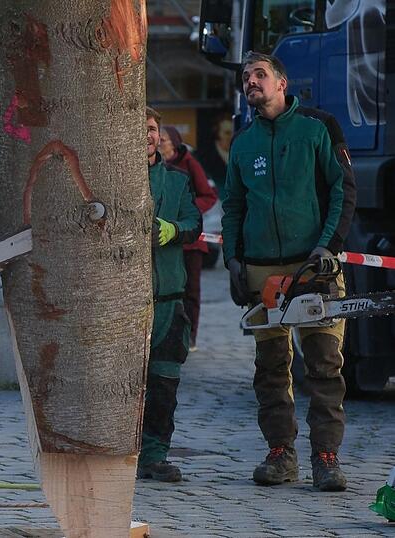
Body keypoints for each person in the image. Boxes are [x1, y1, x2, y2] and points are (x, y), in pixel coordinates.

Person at [221, 52, 356, 491]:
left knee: (323, 363)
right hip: (263, 274)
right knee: (271, 367)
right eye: (246, 77)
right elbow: (234, 206)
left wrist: (327, 248)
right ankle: (280, 453)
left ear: (282, 82)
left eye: (260, 74)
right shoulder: (242, 143)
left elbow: (343, 189)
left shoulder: (318, 128)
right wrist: (235, 260)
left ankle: (326, 458)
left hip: (313, 266)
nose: (251, 81)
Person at [138, 107, 202, 482]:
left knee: (164, 384)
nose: (148, 135)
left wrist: (174, 230)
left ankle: (155, 455)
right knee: (127, 386)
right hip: (127, 305)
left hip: (168, 300)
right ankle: (122, 454)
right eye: (142, 129)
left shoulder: (176, 182)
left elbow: (194, 223)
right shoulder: (114, 181)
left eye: (152, 129)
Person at [158, 126, 218, 352]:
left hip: (190, 241)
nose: (159, 143)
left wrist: (188, 211)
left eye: (163, 139)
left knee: (191, 290)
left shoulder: (189, 164)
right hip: (165, 241)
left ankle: (190, 336)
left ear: (174, 143)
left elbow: (208, 195)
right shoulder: (154, 166)